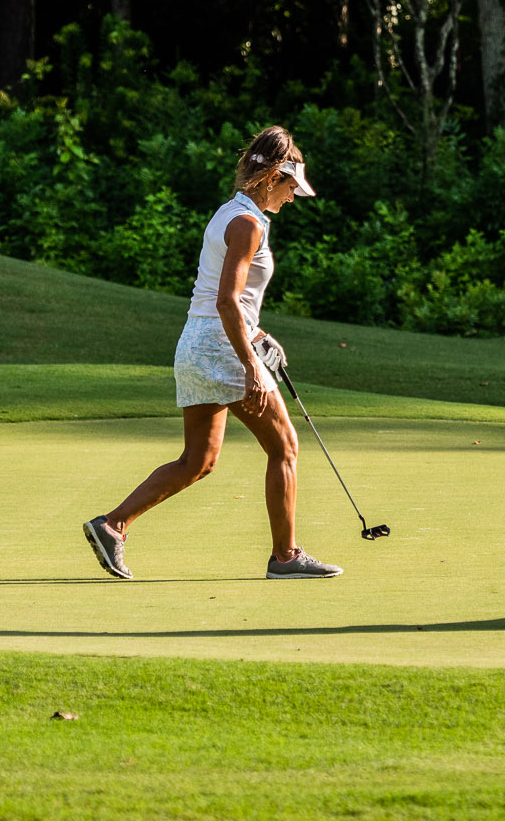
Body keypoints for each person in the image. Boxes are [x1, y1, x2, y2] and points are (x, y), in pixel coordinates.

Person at [83, 126, 342, 581]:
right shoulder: (247, 224)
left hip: (198, 343)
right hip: (223, 348)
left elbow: (226, 302)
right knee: (284, 447)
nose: (293, 197)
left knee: (197, 461)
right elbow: (227, 301)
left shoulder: (230, 212)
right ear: (273, 177)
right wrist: (251, 365)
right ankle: (286, 558)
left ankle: (112, 525)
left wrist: (259, 335)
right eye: (290, 187)